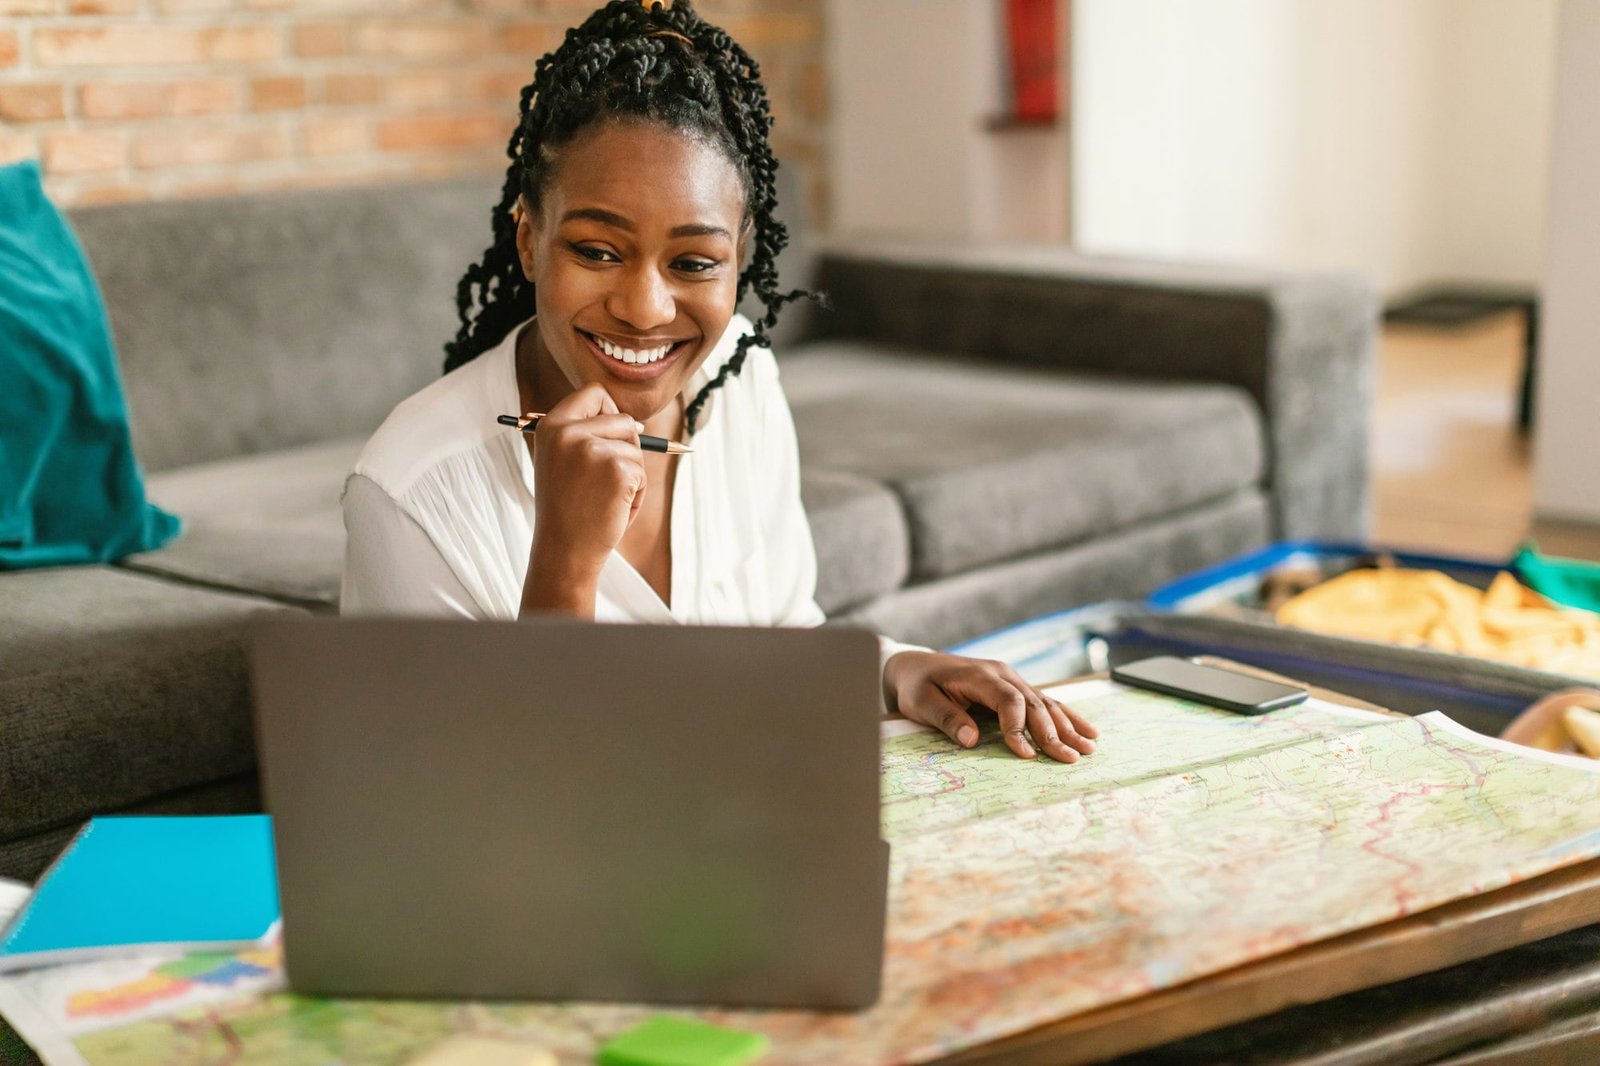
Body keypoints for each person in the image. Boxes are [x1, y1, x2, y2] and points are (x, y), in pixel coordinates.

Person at [340, 0, 1098, 763]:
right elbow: (479, 814)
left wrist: (893, 670)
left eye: (694, 263)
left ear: (740, 258)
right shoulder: (411, 493)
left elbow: (774, 640)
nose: (644, 308)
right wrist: (565, 564)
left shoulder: (736, 378)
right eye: (597, 251)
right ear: (530, 238)